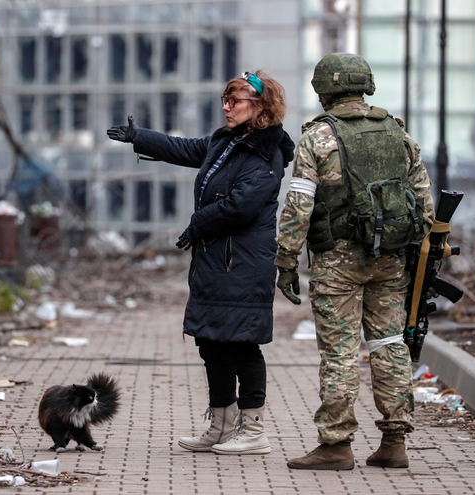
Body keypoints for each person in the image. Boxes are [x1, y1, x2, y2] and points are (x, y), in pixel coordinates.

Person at [107, 70, 295, 455]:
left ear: (260, 106)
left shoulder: (266, 151)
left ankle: (254, 431)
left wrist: (196, 225)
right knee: (211, 341)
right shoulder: (226, 142)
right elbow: (185, 148)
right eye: (225, 100)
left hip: (243, 263)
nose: (226, 107)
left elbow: (241, 205)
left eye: (235, 101)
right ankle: (221, 425)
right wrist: (139, 136)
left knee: (242, 343)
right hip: (215, 261)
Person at [275, 52, 435, 470]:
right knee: (390, 344)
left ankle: (336, 445)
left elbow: (299, 205)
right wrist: (411, 253)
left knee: (340, 353)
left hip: (337, 262)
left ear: (323, 90)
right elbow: (424, 202)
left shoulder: (318, 137)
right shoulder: (398, 132)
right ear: (365, 86)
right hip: (390, 259)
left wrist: (286, 260)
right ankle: (395, 442)